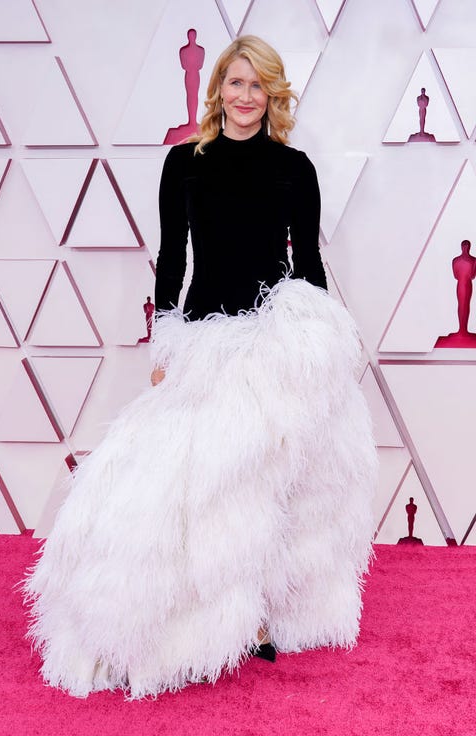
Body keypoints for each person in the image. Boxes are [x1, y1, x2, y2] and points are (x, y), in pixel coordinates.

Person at [24, 35, 376, 699]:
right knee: (200, 491)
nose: (245, 97)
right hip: (207, 347)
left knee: (279, 488)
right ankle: (186, 623)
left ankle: (267, 617)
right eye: (235, 83)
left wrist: (324, 347)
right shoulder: (184, 163)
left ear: (272, 94)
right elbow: (171, 260)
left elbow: (309, 270)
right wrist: (167, 344)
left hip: (275, 346)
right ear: (218, 89)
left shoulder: (294, 169)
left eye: (257, 85)